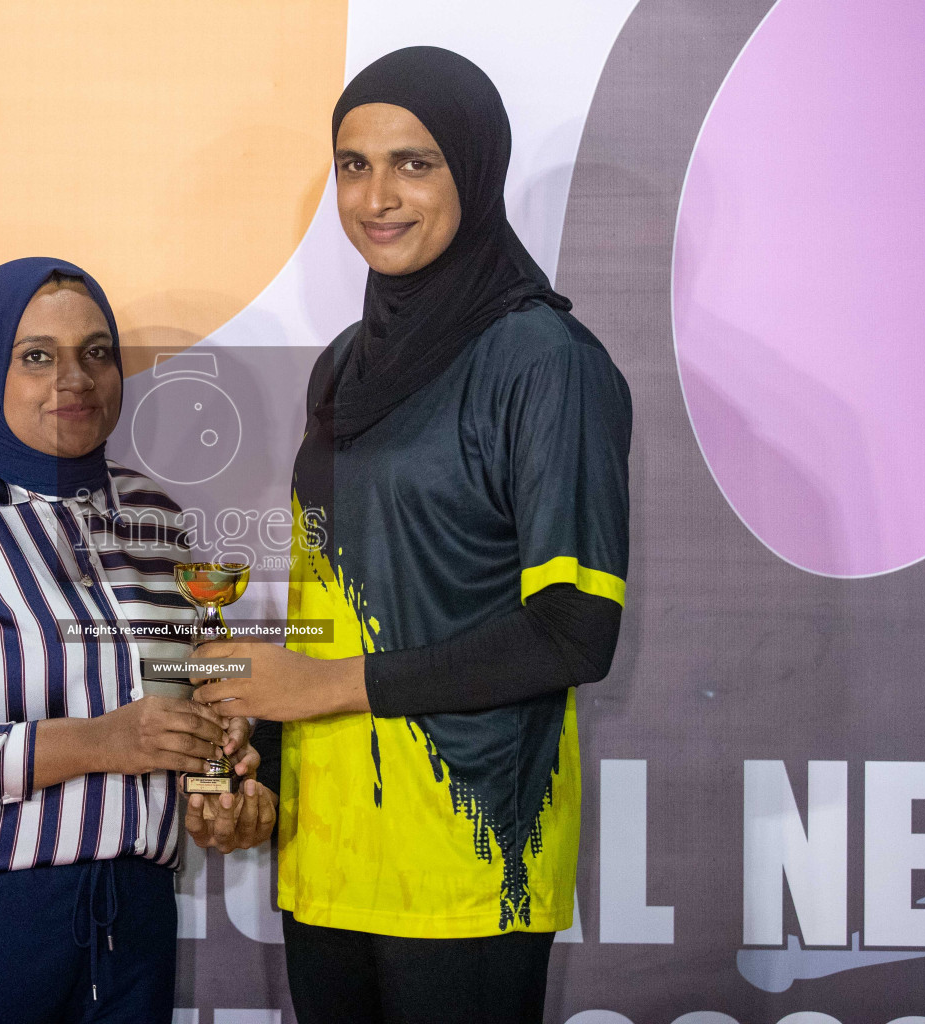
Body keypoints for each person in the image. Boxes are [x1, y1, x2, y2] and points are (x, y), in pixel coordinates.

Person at [191, 47, 633, 1023]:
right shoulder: (348, 365)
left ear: (472, 171)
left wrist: (321, 686)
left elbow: (573, 630)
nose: (376, 195)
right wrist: (258, 748)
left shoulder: (545, 361)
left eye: (414, 162)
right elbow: (329, 599)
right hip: (330, 852)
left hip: (467, 860)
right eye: (354, 164)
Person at [0, 257, 271, 1023]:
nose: (74, 378)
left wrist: (219, 786)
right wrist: (102, 743)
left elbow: (203, 695)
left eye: (96, 353)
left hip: (130, 925)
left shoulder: (155, 518)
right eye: (36, 356)